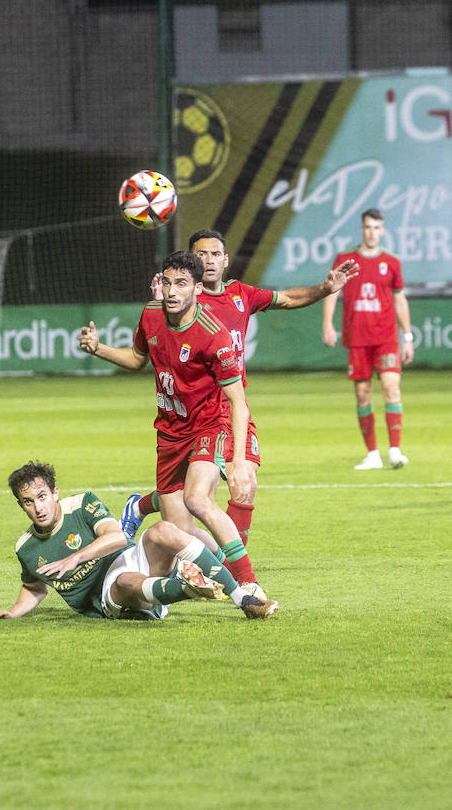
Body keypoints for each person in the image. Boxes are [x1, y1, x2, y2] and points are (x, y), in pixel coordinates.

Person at [120, 228, 358, 580]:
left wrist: (325, 289)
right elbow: (155, 338)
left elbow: (288, 298)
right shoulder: (186, 301)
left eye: (216, 254)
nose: (209, 260)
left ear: (226, 259)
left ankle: (233, 572)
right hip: (198, 414)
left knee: (240, 485)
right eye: (201, 254)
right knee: (190, 511)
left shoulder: (240, 295)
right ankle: (225, 568)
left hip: (230, 409)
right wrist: (163, 298)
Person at [78, 250, 274, 616]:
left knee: (199, 499)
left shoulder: (214, 336)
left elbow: (239, 401)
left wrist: (240, 460)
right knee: (179, 534)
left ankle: (248, 585)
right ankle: (223, 565)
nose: (171, 290)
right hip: (169, 433)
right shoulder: (151, 316)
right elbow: (137, 360)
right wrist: (98, 348)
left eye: (181, 283)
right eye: (167, 282)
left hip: (208, 425)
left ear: (198, 289)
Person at [0, 460, 277, 621]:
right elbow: (34, 587)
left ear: (54, 493)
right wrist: (11, 612)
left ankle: (244, 599)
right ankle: (186, 587)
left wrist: (76, 557)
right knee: (124, 582)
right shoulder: (25, 548)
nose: (38, 507)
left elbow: (118, 536)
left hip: (128, 558)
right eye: (28, 502)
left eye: (42, 497)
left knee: (164, 530)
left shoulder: (82, 504)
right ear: (21, 505)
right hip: (108, 596)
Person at [321, 208, 414, 470]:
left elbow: (399, 298)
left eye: (376, 227)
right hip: (358, 338)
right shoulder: (346, 259)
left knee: (391, 388)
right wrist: (327, 324)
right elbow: (332, 292)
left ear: (382, 230)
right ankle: (373, 454)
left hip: (386, 338)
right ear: (362, 229)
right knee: (363, 395)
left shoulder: (392, 262)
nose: (372, 232)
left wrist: (407, 336)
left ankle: (395, 450)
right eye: (368, 227)